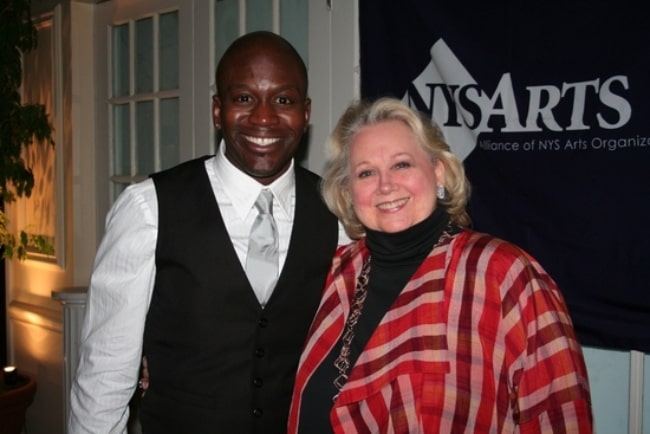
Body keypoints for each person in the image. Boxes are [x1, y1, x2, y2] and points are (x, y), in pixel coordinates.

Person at [68, 31, 348, 434]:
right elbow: (105, 372)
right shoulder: (149, 209)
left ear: (306, 113)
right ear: (218, 111)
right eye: (244, 98)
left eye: (283, 100)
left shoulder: (336, 212)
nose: (264, 117)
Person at [288, 98, 593, 433]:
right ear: (348, 190)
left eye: (402, 165)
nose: (385, 185)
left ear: (438, 171)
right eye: (366, 172)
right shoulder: (336, 273)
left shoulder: (504, 274)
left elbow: (560, 416)